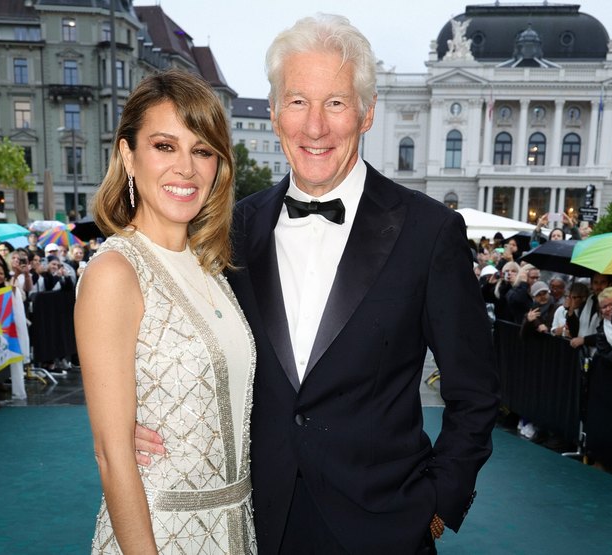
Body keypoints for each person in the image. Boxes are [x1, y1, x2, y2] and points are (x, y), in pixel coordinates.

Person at [136, 14, 498, 554]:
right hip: (254, 521)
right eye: (298, 101)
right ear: (276, 111)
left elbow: (475, 390)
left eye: (335, 102)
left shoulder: (430, 231)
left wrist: (443, 499)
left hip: (384, 525)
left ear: (367, 112)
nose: (314, 127)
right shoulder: (231, 227)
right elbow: (182, 346)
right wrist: (137, 419)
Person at [75, 69, 255, 553]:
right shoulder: (115, 271)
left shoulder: (211, 269)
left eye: (202, 150)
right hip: (157, 535)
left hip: (234, 529)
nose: (187, 168)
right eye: (164, 146)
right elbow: (113, 456)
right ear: (128, 156)